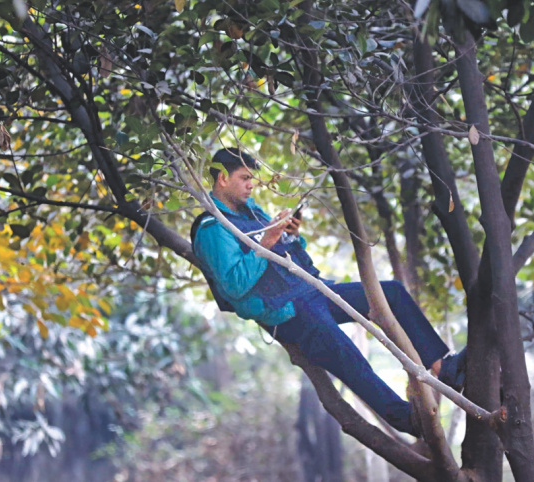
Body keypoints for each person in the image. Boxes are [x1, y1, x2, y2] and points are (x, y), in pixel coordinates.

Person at [192, 147, 466, 437]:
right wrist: (269, 240)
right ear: (222, 178)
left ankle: (442, 367)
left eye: (252, 178)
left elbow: (283, 253)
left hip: (313, 289)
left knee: (392, 293)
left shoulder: (251, 210)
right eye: (245, 178)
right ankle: (406, 419)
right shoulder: (212, 229)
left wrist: (289, 235)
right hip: (288, 312)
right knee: (345, 352)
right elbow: (234, 285)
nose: (251, 185)